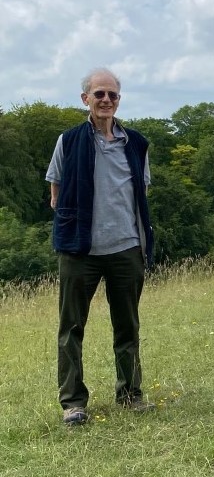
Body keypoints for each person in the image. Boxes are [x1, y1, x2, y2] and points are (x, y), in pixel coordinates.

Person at [46, 67, 155, 425]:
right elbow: (55, 192)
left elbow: (141, 192)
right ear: (86, 99)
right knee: (71, 329)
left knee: (128, 326)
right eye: (99, 95)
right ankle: (73, 403)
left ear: (118, 100)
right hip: (80, 251)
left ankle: (130, 394)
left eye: (112, 95)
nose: (105, 100)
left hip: (125, 249)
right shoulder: (69, 140)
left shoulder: (137, 144)